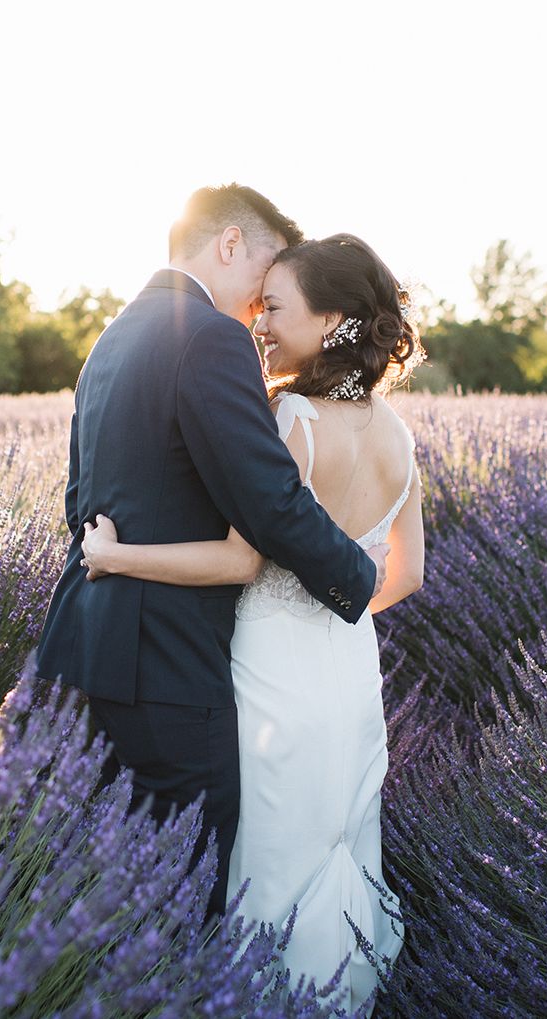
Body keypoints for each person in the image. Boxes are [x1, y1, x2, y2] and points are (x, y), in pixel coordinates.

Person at [79, 233, 425, 1015]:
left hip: (273, 675)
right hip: (348, 675)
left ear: (332, 319)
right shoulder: (400, 435)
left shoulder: (291, 413)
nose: (258, 322)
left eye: (274, 307)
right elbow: (405, 575)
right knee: (335, 841)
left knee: (268, 854)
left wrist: (117, 554)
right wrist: (326, 615)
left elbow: (240, 562)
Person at [31, 186, 388, 925]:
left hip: (81, 644)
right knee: (183, 897)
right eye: (261, 279)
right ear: (229, 243)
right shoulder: (208, 335)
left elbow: (79, 504)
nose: (259, 306)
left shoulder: (112, 336)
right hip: (168, 666)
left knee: (86, 893)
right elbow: (271, 500)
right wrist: (358, 577)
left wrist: (117, 556)